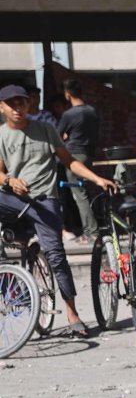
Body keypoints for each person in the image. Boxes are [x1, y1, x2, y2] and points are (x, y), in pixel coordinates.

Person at [0, 84, 117, 339]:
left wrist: (96, 179)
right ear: (2, 108)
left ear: (28, 104)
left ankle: (73, 314)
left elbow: (70, 160)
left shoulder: (45, 129)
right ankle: (10, 282)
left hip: (45, 201)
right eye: (11, 104)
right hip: (13, 199)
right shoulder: (0, 135)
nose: (18, 107)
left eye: (21, 102)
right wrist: (9, 180)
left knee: (56, 256)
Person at [57, 76, 101, 242]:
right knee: (86, 192)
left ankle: (91, 231)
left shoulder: (69, 114)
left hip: (74, 156)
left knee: (79, 195)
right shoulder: (92, 111)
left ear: (67, 94)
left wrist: (68, 137)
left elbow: (57, 137)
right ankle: (92, 228)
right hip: (88, 154)